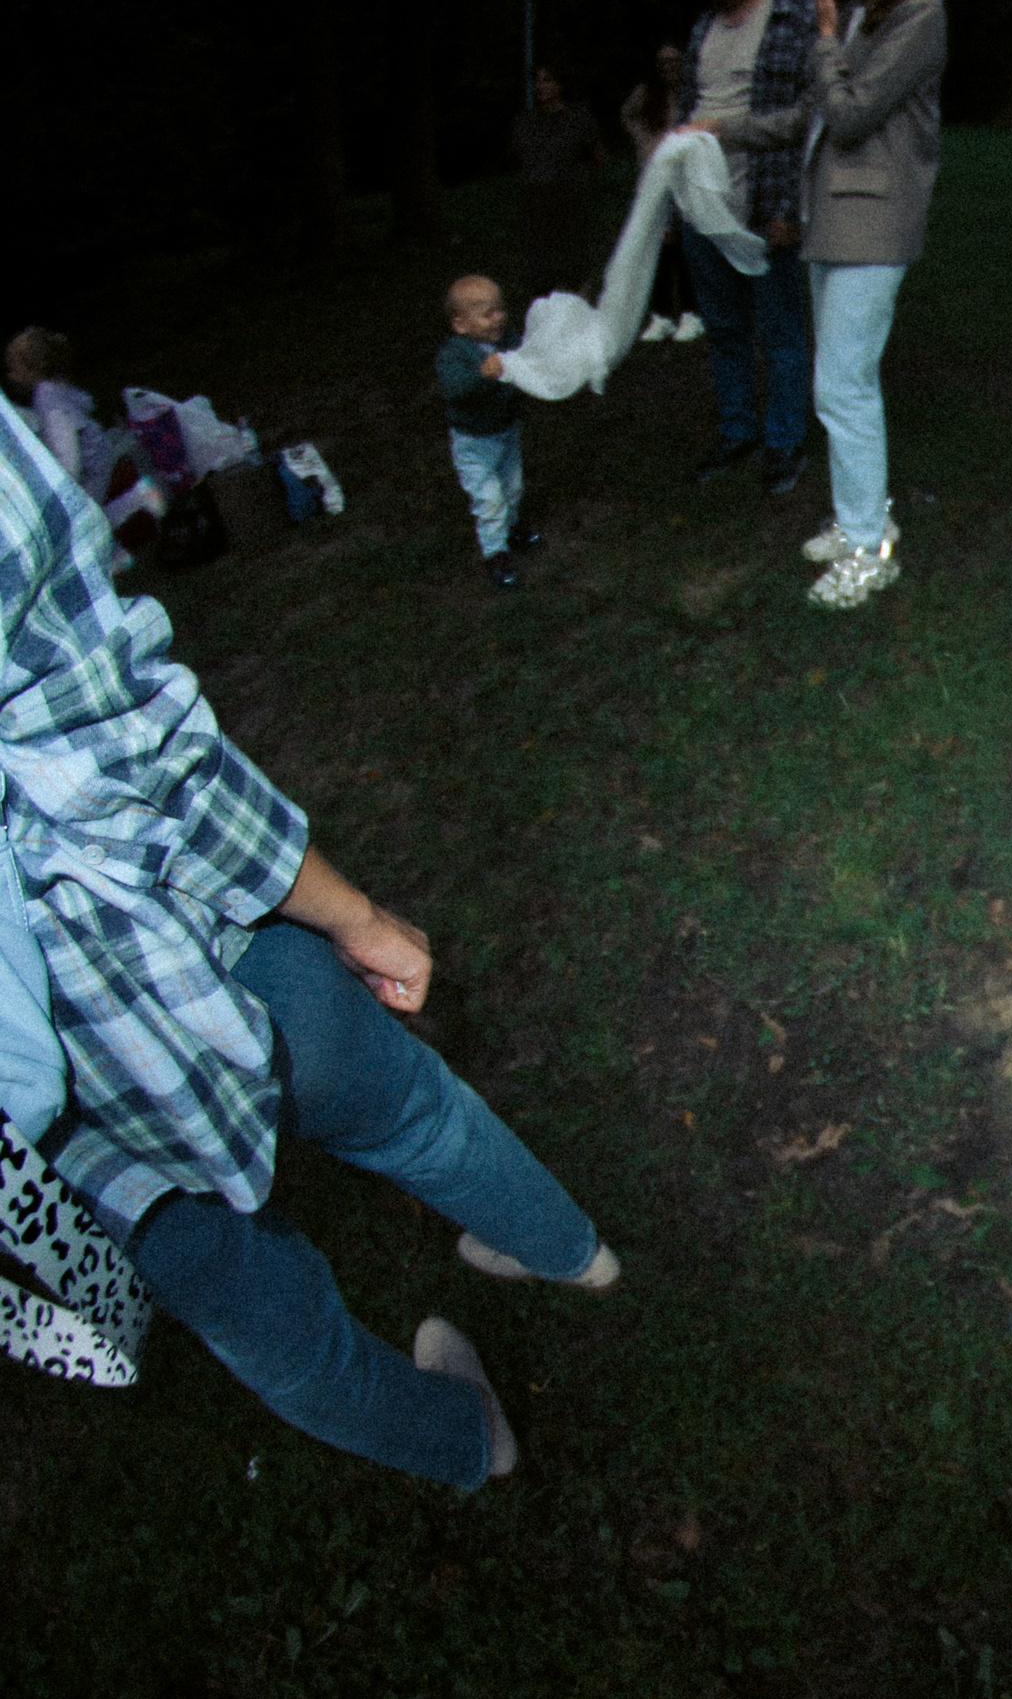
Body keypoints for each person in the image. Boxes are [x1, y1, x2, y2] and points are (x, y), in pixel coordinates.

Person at [0, 402, 620, 1490]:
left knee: (269, 1328)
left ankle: (467, 1442)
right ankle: (569, 1252)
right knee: (406, 1110)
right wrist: (355, 916)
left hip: (49, 1147)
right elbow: (128, 749)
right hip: (183, 953)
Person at [702, 0, 944, 608]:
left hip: (876, 226)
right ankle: (860, 514)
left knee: (843, 386)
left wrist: (828, 37)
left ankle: (868, 550)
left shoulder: (921, 11)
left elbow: (851, 114)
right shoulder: (871, 15)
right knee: (840, 383)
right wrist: (719, 130)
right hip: (832, 225)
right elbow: (807, 115)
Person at [678, 0, 820, 497]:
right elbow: (686, 105)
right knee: (723, 328)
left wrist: (789, 207)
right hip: (701, 207)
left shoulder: (793, 12)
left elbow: (810, 118)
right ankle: (736, 431)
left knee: (780, 332)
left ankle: (785, 440)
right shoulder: (705, 23)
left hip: (762, 204)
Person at [2, 326, 162, 553]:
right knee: (87, 519)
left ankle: (138, 500)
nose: (10, 375)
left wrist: (64, 484)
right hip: (97, 455)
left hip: (92, 466)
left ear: (32, 368)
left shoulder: (46, 400)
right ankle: (120, 545)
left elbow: (68, 451)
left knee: (79, 522)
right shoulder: (55, 386)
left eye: (14, 368)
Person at [438, 275, 542, 588]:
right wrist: (483, 375)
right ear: (460, 324)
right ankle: (495, 552)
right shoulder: (455, 354)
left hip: (506, 431)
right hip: (474, 442)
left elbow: (524, 358)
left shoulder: (507, 339)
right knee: (489, 497)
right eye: (487, 314)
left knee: (512, 486)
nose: (498, 318)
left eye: (500, 310)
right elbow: (455, 390)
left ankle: (511, 528)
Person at [623, 41, 707, 344]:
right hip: (656, 176)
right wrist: (646, 143)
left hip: (686, 177)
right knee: (658, 245)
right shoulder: (647, 95)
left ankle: (691, 312)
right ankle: (660, 315)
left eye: (674, 62)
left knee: (684, 244)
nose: (668, 68)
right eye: (663, 63)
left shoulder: (692, 93)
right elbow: (628, 116)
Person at [512, 63, 608, 302]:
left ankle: (579, 316)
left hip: (571, 202)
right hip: (537, 204)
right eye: (538, 81)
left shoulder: (578, 118)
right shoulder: (526, 121)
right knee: (541, 269)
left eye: (547, 80)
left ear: (560, 84)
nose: (541, 87)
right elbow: (518, 157)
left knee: (575, 265)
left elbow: (598, 156)